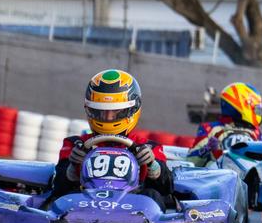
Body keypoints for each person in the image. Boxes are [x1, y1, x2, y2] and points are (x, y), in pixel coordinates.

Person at [52, 69, 172, 201]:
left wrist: (153, 165)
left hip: (132, 205)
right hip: (85, 203)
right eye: (101, 112)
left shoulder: (148, 147)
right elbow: (58, 187)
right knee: (64, 197)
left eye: (116, 112)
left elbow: (167, 189)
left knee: (153, 196)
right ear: (90, 109)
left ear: (132, 110)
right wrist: (72, 168)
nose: (109, 118)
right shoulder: (75, 145)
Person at [188, 81, 262, 165]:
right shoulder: (210, 129)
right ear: (242, 104)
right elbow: (191, 161)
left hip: (247, 175)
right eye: (256, 109)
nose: (258, 112)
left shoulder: (256, 132)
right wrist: (207, 148)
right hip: (219, 175)